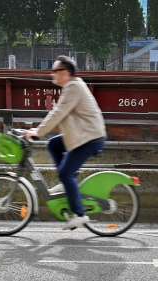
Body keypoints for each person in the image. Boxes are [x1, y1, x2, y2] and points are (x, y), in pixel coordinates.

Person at [23, 56, 106, 230]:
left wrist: (37, 132)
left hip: (89, 139)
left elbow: (58, 113)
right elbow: (60, 114)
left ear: (66, 73)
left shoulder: (73, 88)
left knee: (65, 173)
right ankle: (70, 183)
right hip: (83, 135)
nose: (51, 73)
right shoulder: (72, 86)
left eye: (55, 71)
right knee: (53, 145)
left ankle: (79, 214)